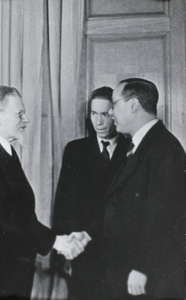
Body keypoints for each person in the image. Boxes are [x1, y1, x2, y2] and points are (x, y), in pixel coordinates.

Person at [0, 86, 90, 300]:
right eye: (19, 113)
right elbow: (3, 213)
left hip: (9, 273)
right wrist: (55, 241)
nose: (26, 119)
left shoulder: (3, 151)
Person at [103, 78, 186, 300]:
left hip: (146, 277)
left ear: (133, 105)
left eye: (114, 104)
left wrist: (142, 267)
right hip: (127, 269)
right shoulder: (135, 146)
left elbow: (164, 217)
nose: (110, 112)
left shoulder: (165, 150)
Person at [52, 86, 130, 300]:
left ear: (115, 114)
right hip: (83, 257)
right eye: (94, 114)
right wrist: (63, 254)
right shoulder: (75, 150)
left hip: (120, 256)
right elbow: (63, 205)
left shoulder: (133, 149)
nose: (99, 122)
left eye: (105, 114)